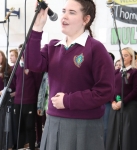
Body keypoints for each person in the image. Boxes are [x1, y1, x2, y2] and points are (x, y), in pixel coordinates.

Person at [26, 0, 115, 150]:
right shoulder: (53, 47)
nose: (64, 17)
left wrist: (68, 101)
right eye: (63, 11)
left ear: (86, 19)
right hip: (53, 121)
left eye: (71, 12)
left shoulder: (95, 48)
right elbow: (31, 63)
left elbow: (105, 91)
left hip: (84, 125)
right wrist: (37, 27)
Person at [106, 47, 137, 150]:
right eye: (121, 55)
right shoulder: (116, 72)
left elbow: (136, 90)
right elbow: (110, 88)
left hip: (128, 107)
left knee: (127, 134)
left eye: (126, 55)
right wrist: (112, 101)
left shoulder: (135, 73)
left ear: (131, 57)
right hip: (115, 107)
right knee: (113, 133)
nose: (123, 57)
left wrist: (123, 102)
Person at [12, 50, 42, 150]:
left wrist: (37, 99)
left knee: (29, 126)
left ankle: (32, 147)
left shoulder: (33, 68)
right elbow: (14, 83)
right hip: (17, 102)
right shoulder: (16, 67)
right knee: (19, 127)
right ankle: (20, 147)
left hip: (30, 101)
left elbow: (38, 83)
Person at [0, 50, 13, 149]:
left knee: (5, 123)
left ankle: (5, 144)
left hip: (5, 100)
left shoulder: (8, 69)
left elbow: (12, 85)